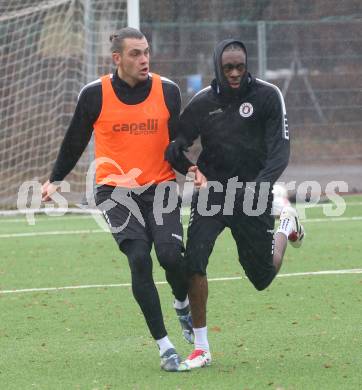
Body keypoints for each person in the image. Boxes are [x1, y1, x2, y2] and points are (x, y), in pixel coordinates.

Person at [41, 27, 193, 372]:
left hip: (162, 187)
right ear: (117, 59)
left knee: (170, 256)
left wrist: (194, 167)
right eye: (136, 54)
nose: (144, 59)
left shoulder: (168, 90)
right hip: (114, 190)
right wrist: (55, 179)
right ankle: (165, 347)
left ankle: (182, 303)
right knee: (139, 258)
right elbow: (75, 139)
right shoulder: (94, 94)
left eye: (146, 52)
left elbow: (177, 144)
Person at [165, 39, 305, 370]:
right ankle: (201, 348)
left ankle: (286, 223)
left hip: (252, 195)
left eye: (240, 66)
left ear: (247, 65)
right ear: (218, 67)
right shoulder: (202, 103)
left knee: (262, 278)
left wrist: (259, 188)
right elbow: (174, 148)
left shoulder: (268, 96)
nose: (235, 73)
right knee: (194, 261)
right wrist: (191, 169)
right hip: (212, 195)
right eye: (228, 67)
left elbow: (280, 151)